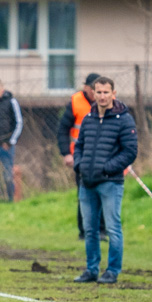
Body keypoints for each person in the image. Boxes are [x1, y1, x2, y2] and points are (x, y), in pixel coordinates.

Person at [73, 76, 137, 285]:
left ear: (113, 94)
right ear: (93, 93)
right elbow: (79, 145)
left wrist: (107, 168)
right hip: (87, 183)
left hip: (111, 182)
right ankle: (91, 270)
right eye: (98, 92)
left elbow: (130, 152)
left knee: (112, 228)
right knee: (90, 230)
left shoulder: (124, 119)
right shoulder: (89, 118)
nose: (102, 96)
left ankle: (112, 271)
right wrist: (79, 165)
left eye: (106, 92)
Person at [57, 72, 106, 240]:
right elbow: (63, 130)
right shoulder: (75, 102)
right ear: (86, 88)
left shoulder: (108, 103)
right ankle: (84, 231)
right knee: (84, 193)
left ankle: (101, 230)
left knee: (104, 192)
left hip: (103, 157)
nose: (98, 93)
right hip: (80, 156)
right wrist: (66, 153)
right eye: (95, 89)